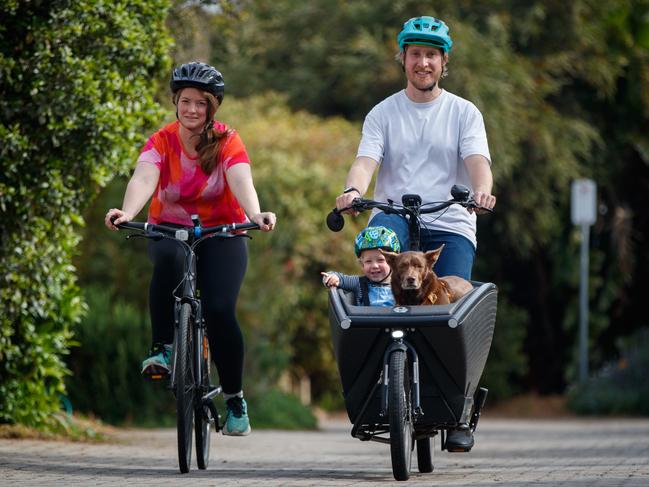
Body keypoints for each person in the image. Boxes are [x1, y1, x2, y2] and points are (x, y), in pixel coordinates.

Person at [334, 16, 496, 452]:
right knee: (374, 271)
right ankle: (376, 378)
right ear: (402, 59)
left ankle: (461, 410)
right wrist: (353, 190)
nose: (422, 62)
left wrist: (482, 191)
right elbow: (366, 160)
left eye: (431, 55)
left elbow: (477, 160)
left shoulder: (464, 111)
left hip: (450, 218)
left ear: (444, 63)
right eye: (415, 54)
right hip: (393, 216)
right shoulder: (383, 112)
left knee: (456, 306)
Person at [105, 61, 276, 436]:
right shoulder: (161, 141)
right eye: (185, 101)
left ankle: (233, 397)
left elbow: (240, 175)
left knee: (219, 309)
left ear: (212, 106)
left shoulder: (228, 139)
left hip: (224, 231)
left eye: (201, 103)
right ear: (175, 102)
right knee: (168, 259)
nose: (192, 109)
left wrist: (255, 212)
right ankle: (163, 348)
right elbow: (144, 176)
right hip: (170, 228)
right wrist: (127, 211)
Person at [321, 226, 400, 306]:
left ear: (392, 261)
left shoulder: (401, 285)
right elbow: (340, 278)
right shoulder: (359, 284)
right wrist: (332, 278)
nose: (375, 266)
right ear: (362, 264)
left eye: (380, 260)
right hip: (365, 318)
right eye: (368, 261)